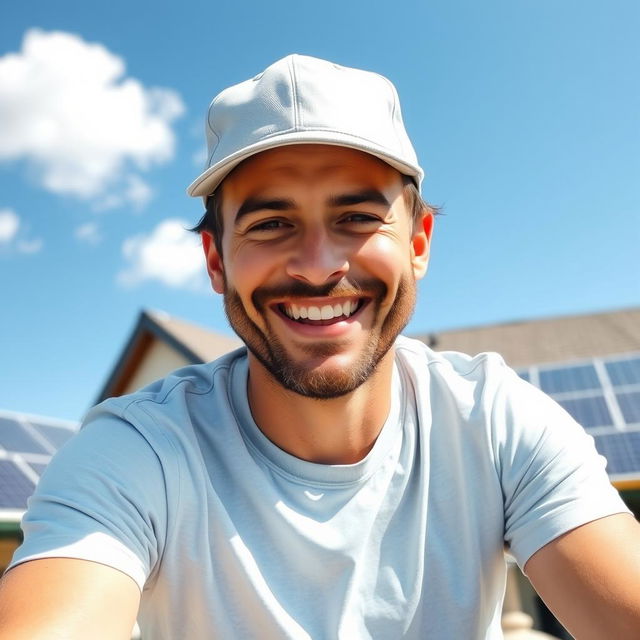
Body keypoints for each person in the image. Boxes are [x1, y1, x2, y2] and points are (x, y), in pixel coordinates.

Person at [0, 54, 639, 640]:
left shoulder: (495, 422)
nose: (316, 266)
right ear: (216, 259)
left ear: (418, 243)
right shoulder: (136, 453)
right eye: (272, 224)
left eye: (357, 218)